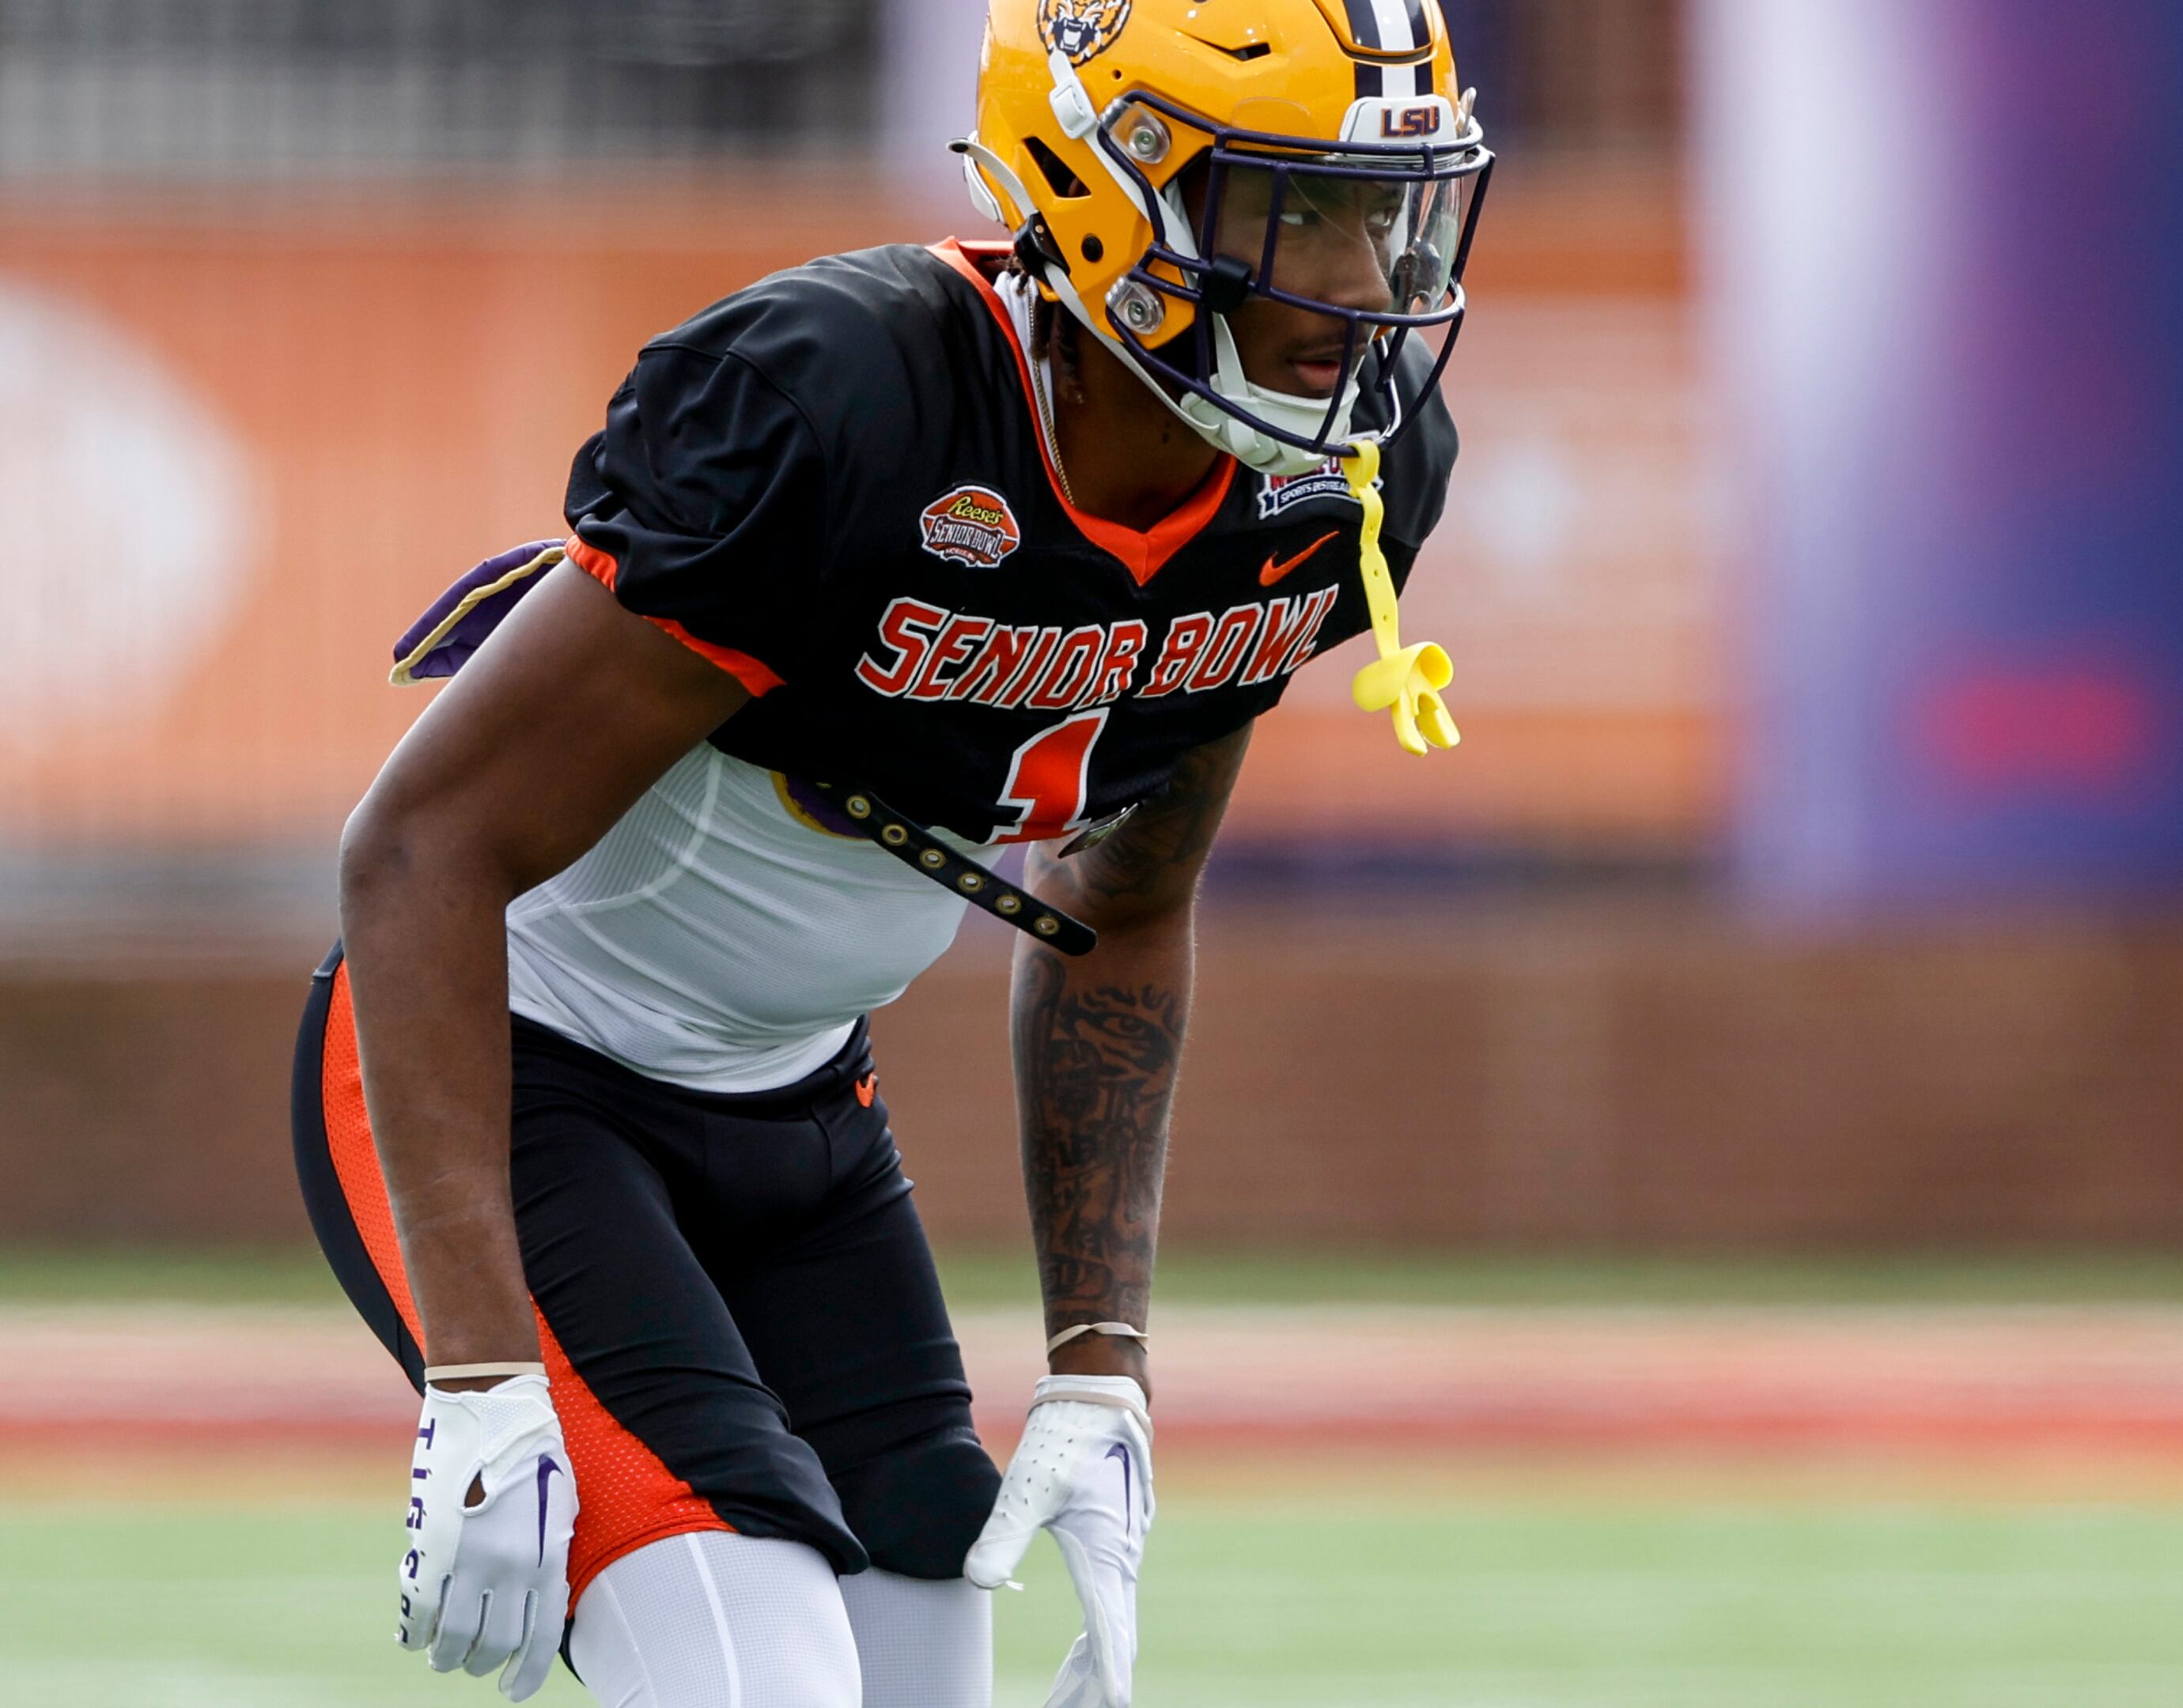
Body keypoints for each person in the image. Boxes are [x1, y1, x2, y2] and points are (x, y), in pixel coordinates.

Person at [286, 3, 1489, 1702]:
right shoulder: (845, 401)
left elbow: (1125, 904)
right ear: (1110, 195)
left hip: (802, 1119)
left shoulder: (1336, 486)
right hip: (527, 1076)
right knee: (758, 1671)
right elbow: (422, 847)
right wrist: (483, 1375)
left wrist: (1099, 1364)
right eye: (1297, 212)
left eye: (1390, 216)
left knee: (925, 1673)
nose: (1365, 284)